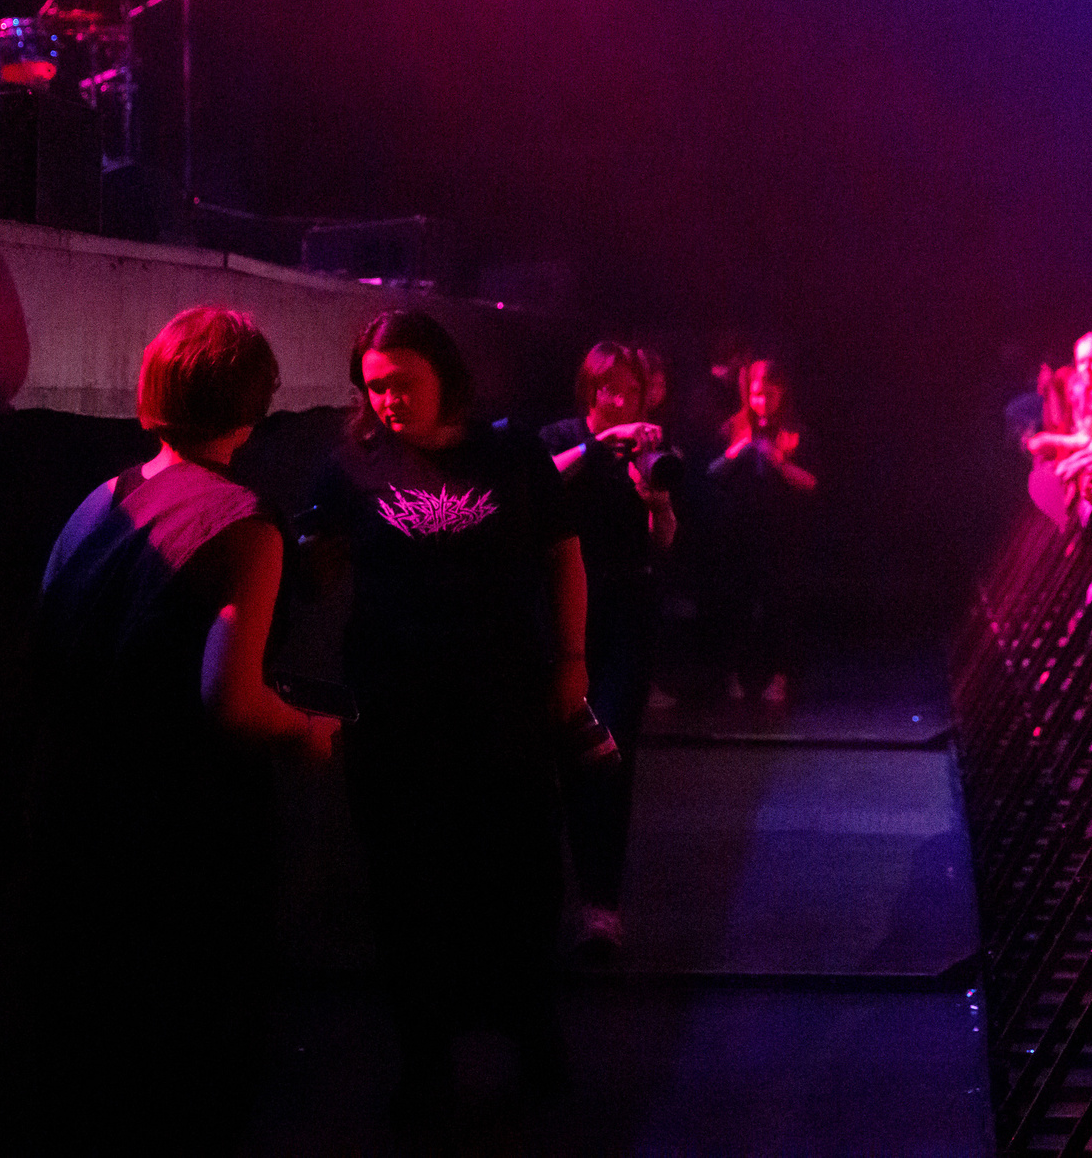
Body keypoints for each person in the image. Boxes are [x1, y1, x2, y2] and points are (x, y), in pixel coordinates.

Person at [28, 307, 335, 1152]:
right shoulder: (244, 522)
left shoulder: (102, 499)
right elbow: (231, 701)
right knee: (196, 1061)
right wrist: (306, 728)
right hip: (186, 829)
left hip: (80, 809)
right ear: (254, 406)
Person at [306, 309, 587, 1118]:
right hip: (397, 713)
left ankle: (532, 1033)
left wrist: (572, 661)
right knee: (408, 883)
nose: (387, 399)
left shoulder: (510, 452)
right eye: (374, 386)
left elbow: (562, 555)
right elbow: (311, 560)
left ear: (443, 373)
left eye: (402, 382)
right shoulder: (353, 466)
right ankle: (425, 1055)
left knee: (520, 873)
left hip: (502, 703)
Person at [539, 341, 681, 960]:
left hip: (623, 613)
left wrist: (658, 503)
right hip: (555, 610)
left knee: (609, 750)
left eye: (629, 388)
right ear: (589, 388)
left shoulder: (654, 449)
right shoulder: (559, 436)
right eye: (607, 388)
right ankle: (544, 899)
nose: (618, 399)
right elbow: (535, 486)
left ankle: (601, 906)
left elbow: (665, 543)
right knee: (553, 753)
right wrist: (599, 447)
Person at [706, 354, 817, 705]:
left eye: (769, 394)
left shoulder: (796, 430)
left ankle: (779, 678)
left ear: (782, 392)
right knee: (736, 603)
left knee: (780, 605)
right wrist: (736, 453)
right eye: (756, 394)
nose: (762, 401)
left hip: (782, 535)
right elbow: (710, 473)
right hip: (739, 532)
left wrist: (780, 462)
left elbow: (812, 482)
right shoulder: (733, 427)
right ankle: (732, 677)